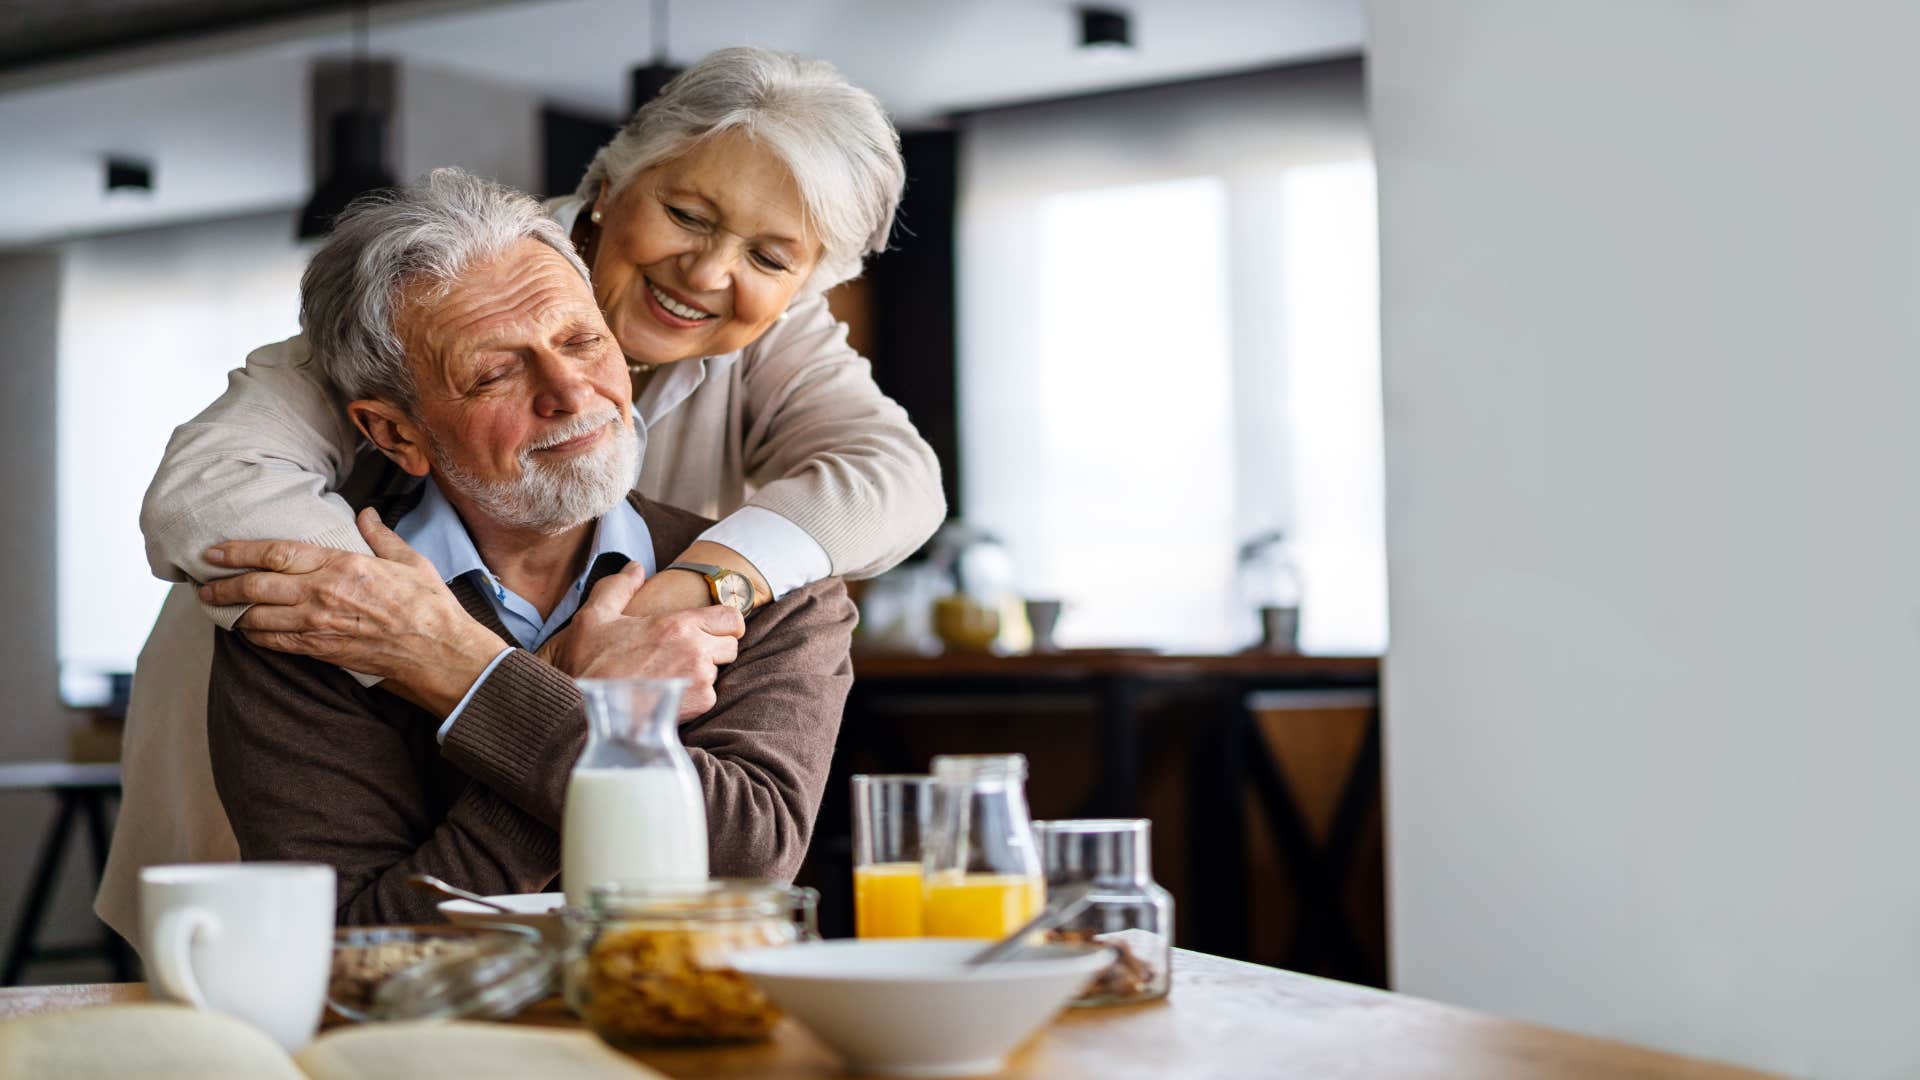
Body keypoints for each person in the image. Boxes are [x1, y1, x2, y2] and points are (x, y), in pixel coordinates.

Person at [97, 47, 941, 940]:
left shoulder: (775, 350)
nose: (705, 273)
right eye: (687, 216)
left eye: (769, 256)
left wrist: (672, 600)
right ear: (610, 186)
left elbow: (895, 477)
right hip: (297, 732)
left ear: (804, 284)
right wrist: (437, 648)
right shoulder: (445, 282)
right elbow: (206, 494)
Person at [209, 169, 854, 922]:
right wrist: (590, 712)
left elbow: (743, 867)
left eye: (583, 340)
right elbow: (359, 942)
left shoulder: (772, 595)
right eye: (496, 373)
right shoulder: (320, 613)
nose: (572, 392)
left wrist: (469, 676)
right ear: (395, 433)